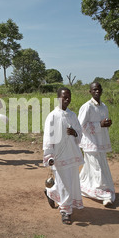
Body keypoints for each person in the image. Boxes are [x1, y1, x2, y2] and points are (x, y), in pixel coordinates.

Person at [43, 87, 84, 225]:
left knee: (70, 182)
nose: (67, 99)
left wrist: (75, 133)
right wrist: (49, 155)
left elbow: (80, 132)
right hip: (59, 154)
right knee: (63, 182)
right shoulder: (53, 116)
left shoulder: (72, 115)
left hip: (72, 153)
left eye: (69, 97)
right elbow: (48, 136)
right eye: (64, 97)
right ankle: (65, 211)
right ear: (58, 98)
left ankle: (51, 192)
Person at [78, 82, 115, 207]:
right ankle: (105, 195)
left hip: (101, 142)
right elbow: (80, 126)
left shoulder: (104, 107)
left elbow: (103, 123)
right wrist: (100, 124)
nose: (97, 91)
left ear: (102, 90)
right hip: (90, 144)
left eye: (99, 89)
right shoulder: (87, 107)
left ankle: (77, 186)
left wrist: (107, 123)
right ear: (90, 92)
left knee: (92, 169)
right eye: (94, 89)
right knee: (97, 169)